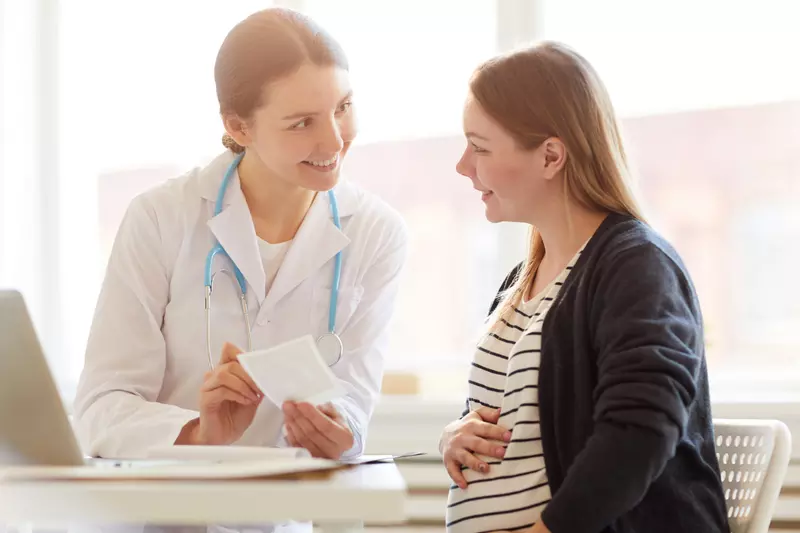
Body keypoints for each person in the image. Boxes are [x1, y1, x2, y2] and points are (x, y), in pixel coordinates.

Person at [73, 8, 407, 462]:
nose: (334, 141)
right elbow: (101, 407)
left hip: (281, 517)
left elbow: (353, 406)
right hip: (163, 516)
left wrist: (340, 433)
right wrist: (197, 432)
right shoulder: (161, 218)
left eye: (343, 107)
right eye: (301, 123)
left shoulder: (376, 232)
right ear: (238, 126)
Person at [439, 42, 730, 533]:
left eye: (480, 147)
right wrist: (457, 435)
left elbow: (641, 430)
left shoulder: (636, 267)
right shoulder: (522, 279)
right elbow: (522, 419)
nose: (463, 165)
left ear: (551, 155)